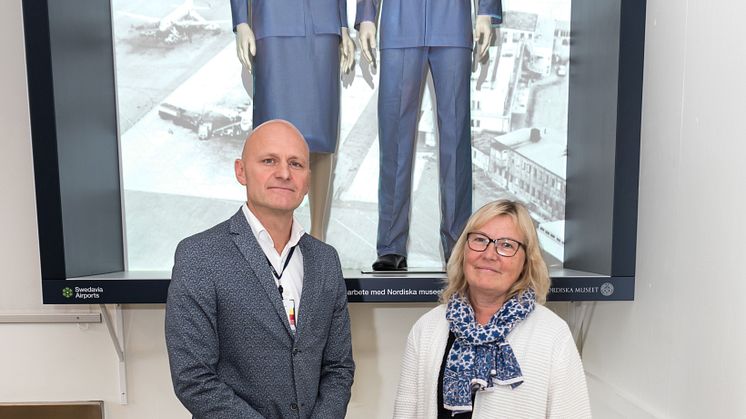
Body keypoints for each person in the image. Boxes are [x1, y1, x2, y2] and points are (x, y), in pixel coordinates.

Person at [165, 120, 354, 418]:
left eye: (296, 163)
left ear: (307, 180)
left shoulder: (326, 260)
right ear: (241, 171)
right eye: (269, 161)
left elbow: (339, 368)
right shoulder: (199, 255)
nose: (283, 173)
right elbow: (193, 378)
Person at [393, 200, 591, 418]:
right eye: (480, 240)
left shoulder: (553, 335)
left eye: (506, 245)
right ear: (463, 251)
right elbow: (405, 411)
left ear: (526, 261)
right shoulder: (427, 328)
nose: (489, 254)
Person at [356, 0, 502, 270]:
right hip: (399, 22)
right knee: (394, 139)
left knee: (455, 139)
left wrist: (485, 12)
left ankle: (457, 243)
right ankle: (391, 245)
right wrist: (367, 15)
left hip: (453, 21)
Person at [230, 0, 355, 242]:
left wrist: (342, 25)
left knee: (321, 132)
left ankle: (318, 236)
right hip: (272, 19)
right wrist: (241, 21)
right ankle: (269, 235)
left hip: (323, 22)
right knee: (271, 138)